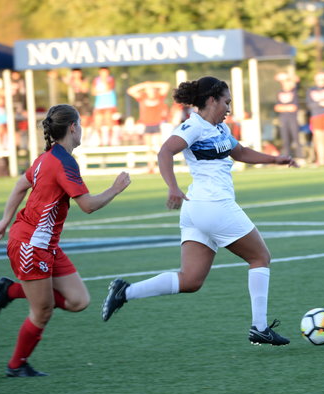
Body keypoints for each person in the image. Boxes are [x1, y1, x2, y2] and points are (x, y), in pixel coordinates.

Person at [101, 76, 297, 346]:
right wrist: (172, 187)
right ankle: (260, 328)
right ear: (212, 100)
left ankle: (125, 292)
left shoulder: (219, 128)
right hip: (214, 205)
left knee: (191, 280)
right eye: (226, 102)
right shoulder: (194, 126)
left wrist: (275, 159)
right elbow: (165, 152)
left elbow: (239, 152)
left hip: (197, 209)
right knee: (260, 257)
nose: (229, 108)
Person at [0, 104, 131, 377]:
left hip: (46, 244)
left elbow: (20, 185)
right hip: (31, 245)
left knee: (78, 301)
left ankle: (10, 291)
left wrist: (5, 220)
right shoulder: (62, 162)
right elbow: (87, 205)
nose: (82, 129)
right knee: (42, 311)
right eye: (81, 124)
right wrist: (115, 188)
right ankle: (16, 365)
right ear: (73, 127)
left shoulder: (48, 157)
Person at [127, 80, 171, 172]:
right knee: (149, 148)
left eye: (151, 89)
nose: (150, 91)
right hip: (146, 124)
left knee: (158, 147)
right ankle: (151, 166)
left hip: (157, 124)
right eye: (148, 90)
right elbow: (130, 91)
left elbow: (166, 85)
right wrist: (143, 85)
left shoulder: (159, 96)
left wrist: (152, 84)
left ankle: (162, 165)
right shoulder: (143, 97)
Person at [274, 72, 304, 162]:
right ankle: (286, 158)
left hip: (293, 119)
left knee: (296, 138)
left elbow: (294, 107)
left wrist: (287, 77)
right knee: (285, 139)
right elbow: (277, 107)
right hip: (283, 119)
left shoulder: (294, 91)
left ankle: (300, 157)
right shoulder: (279, 92)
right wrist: (287, 108)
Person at [91, 67, 118, 146]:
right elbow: (93, 92)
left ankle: (110, 141)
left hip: (109, 104)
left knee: (109, 121)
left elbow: (108, 88)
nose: (104, 74)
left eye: (105, 72)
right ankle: (100, 141)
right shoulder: (96, 80)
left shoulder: (111, 79)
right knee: (98, 122)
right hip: (99, 104)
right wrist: (100, 90)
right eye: (102, 72)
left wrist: (101, 87)